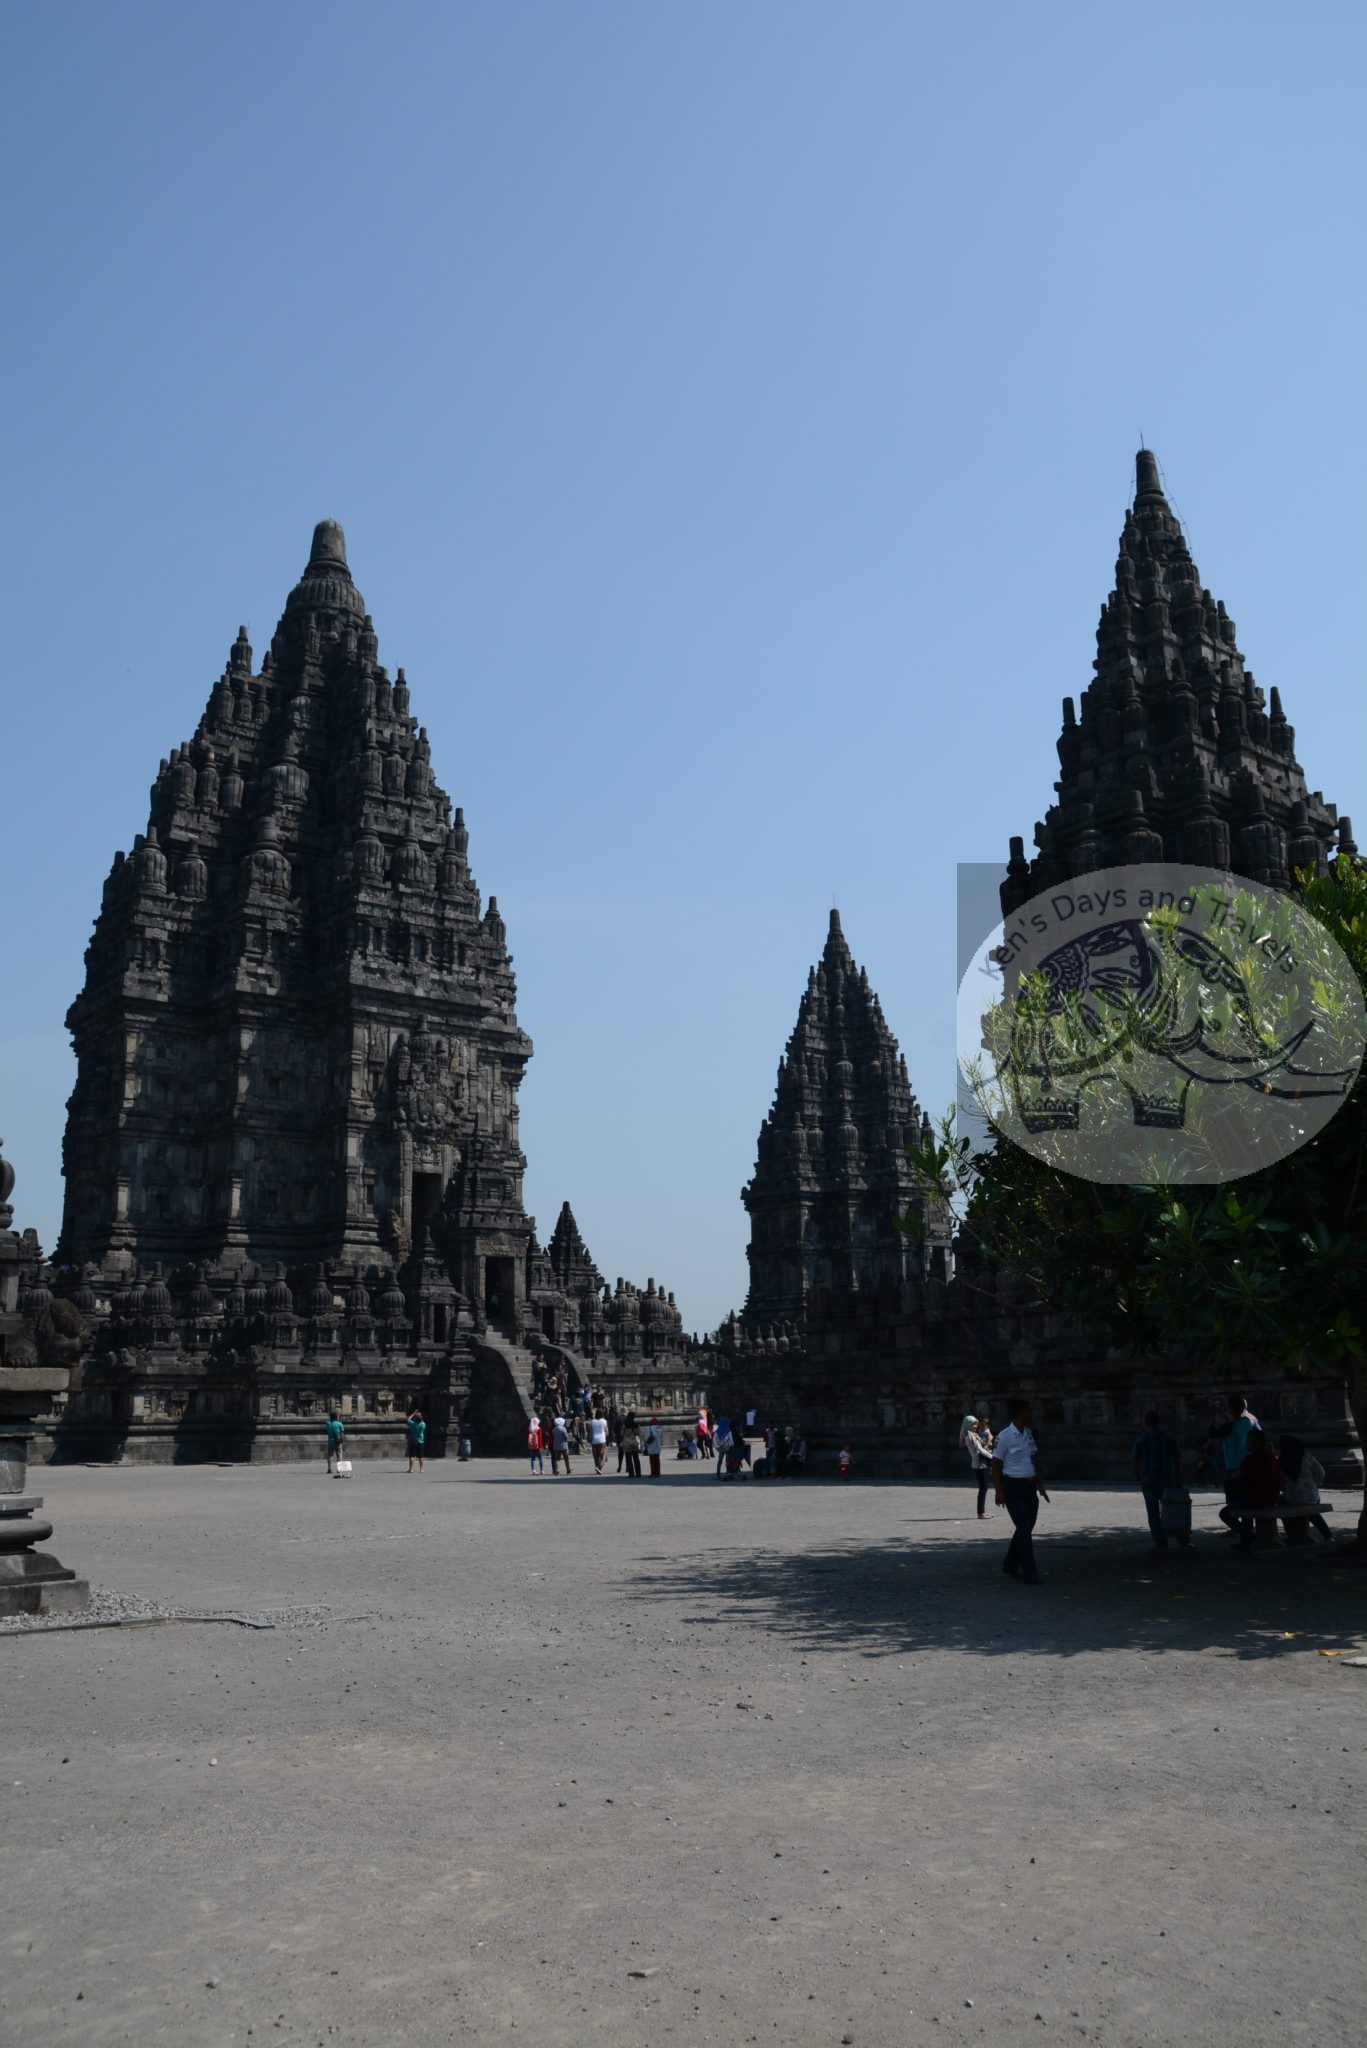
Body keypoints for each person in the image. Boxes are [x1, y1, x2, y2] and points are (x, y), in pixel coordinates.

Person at [991, 1399, 1048, 1582]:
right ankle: (1029, 1572)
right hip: (1013, 1487)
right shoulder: (1004, 1436)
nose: (1031, 1415)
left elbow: (1035, 1458)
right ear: (1019, 1414)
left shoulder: (1029, 1434)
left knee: (1026, 1527)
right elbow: (995, 1464)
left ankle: (1010, 1563)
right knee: (1023, 1528)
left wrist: (1040, 1484)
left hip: (1029, 1486)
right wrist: (998, 1491)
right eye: (1028, 1412)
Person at [1130, 1409, 1188, 1550]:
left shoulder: (1141, 1439)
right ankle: (1182, 1540)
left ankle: (1160, 1542)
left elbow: (1135, 1461)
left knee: (1153, 1512)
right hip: (1167, 1480)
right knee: (1174, 1510)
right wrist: (1179, 1479)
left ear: (1145, 1423)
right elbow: (1177, 1461)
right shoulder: (1169, 1438)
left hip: (1149, 1480)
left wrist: (1138, 1476)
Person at [1219, 1428, 1282, 1548]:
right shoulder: (1272, 1457)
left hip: (1258, 1498)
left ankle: (1250, 1537)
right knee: (1244, 1503)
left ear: (1257, 1442)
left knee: (1224, 1513)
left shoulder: (1250, 1459)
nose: (1246, 1444)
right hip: (1272, 1497)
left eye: (1249, 1441)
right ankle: (1246, 1540)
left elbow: (1235, 1476)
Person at [1278, 1434, 1333, 1544]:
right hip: (1311, 1494)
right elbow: (1320, 1472)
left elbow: (1280, 1479)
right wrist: (1315, 1485)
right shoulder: (1307, 1457)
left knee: (1281, 1505)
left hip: (1292, 1496)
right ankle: (1328, 1535)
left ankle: (1292, 1534)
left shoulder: (1282, 1460)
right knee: (1313, 1513)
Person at [1215, 1392, 1260, 1515]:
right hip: (1248, 1464)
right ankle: (1247, 1527)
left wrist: (1213, 1414)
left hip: (1233, 1466)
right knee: (1246, 1497)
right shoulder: (1249, 1421)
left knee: (1232, 1498)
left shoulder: (1228, 1426)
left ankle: (1236, 1528)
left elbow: (1213, 1432)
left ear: (1230, 1409)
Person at [960, 1413, 993, 1519]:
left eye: (975, 1424)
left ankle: (982, 1511)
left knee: (984, 1488)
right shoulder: (970, 1436)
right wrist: (993, 1457)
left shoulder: (972, 1435)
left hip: (980, 1462)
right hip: (980, 1464)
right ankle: (981, 1513)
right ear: (967, 1424)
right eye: (973, 1424)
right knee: (983, 1488)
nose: (975, 1426)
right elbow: (980, 1450)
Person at [405, 1407, 426, 1474]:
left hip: (413, 1441)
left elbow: (408, 1419)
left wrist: (414, 1414)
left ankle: (410, 1469)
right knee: (421, 1456)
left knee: (411, 1456)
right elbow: (422, 1421)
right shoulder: (423, 1424)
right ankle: (421, 1469)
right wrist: (420, 1416)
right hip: (421, 1441)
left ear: (415, 1419)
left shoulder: (413, 1424)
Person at [620, 1413, 642, 1478]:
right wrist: (639, 1442)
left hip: (626, 1443)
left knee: (628, 1458)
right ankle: (638, 1473)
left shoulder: (624, 1424)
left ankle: (631, 1473)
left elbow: (621, 1433)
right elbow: (638, 1434)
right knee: (636, 1458)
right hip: (634, 1442)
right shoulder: (636, 1424)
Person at [589, 1408, 609, 1473]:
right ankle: (599, 1467)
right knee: (603, 1455)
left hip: (594, 1440)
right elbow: (607, 1432)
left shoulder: (592, 1421)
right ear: (602, 1414)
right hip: (601, 1440)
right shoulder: (604, 1421)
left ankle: (597, 1467)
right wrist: (605, 1436)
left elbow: (590, 1430)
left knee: (595, 1456)